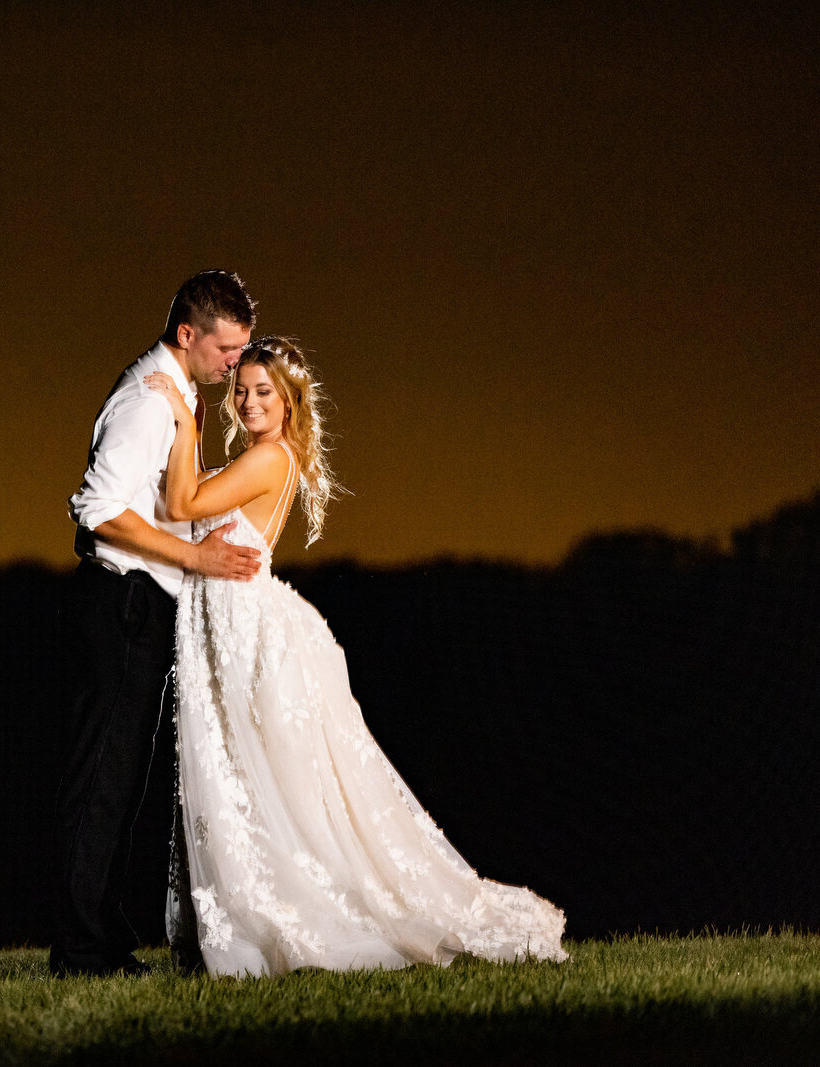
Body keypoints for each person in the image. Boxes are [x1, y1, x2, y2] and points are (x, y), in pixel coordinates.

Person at [144, 336, 569, 977]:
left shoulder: (266, 459)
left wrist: (181, 418)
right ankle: (252, 909)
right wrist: (195, 432)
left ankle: (291, 913)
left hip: (247, 632)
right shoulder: (258, 457)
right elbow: (187, 508)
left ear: (288, 402)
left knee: (263, 778)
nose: (249, 400)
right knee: (247, 777)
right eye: (242, 389)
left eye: (265, 391)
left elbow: (178, 506)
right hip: (229, 629)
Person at [52, 270, 262, 977]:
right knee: (103, 778)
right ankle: (81, 948)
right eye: (228, 349)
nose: (235, 364)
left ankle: (100, 936)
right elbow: (98, 508)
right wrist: (196, 556)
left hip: (140, 605)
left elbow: (168, 498)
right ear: (188, 335)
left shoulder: (176, 398)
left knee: (123, 779)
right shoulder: (149, 402)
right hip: (123, 602)